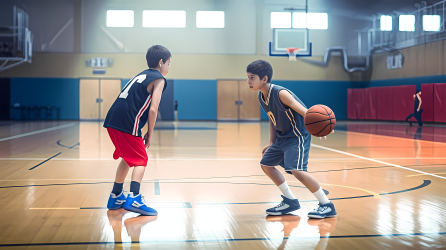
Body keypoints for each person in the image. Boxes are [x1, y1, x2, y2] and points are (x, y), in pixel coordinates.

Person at [247, 60, 336, 219]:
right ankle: (290, 201)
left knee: (297, 170)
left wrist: (321, 126)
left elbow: (304, 111)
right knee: (266, 165)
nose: (248, 81)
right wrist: (271, 143)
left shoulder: (281, 93)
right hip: (281, 138)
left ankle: (326, 204)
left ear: (264, 79)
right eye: (248, 77)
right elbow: (272, 119)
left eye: (252, 77)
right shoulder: (262, 96)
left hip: (297, 137)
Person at [103, 45, 171, 216]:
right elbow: (153, 109)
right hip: (128, 121)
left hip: (112, 119)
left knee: (128, 157)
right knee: (141, 158)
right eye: (169, 63)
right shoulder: (159, 79)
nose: (169, 67)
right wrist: (150, 132)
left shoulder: (141, 74)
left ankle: (116, 195)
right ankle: (134, 198)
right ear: (161, 62)